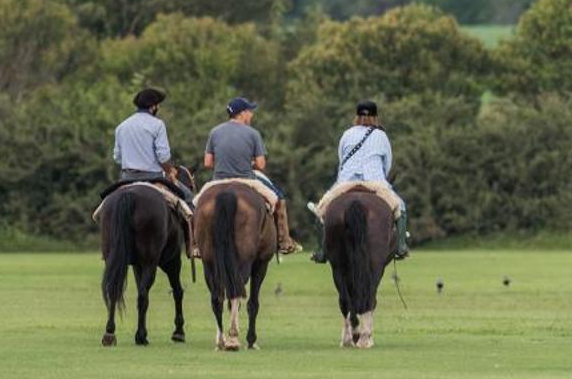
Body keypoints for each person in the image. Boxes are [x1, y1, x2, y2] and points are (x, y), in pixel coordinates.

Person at [311, 99, 410, 262]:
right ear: (375, 117)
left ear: (356, 116)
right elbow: (388, 163)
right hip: (375, 182)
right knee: (401, 208)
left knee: (321, 210)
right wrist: (381, 177)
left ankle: (321, 251)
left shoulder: (347, 134)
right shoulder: (381, 135)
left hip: (346, 182)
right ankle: (400, 247)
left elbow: (341, 159)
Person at [204, 97, 303, 256]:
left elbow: (208, 163)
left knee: (194, 207)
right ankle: (284, 241)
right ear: (242, 113)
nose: (251, 115)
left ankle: (195, 244)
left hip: (218, 180)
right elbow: (261, 165)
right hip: (247, 180)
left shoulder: (214, 132)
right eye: (250, 112)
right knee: (279, 200)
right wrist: (247, 163)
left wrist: (225, 163)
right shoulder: (253, 133)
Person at [111, 87, 194, 202]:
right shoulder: (158, 125)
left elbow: (117, 158)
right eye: (158, 105)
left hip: (127, 178)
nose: (158, 108)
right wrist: (170, 171)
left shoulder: (121, 127)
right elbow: (163, 157)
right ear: (153, 106)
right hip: (153, 178)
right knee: (189, 197)